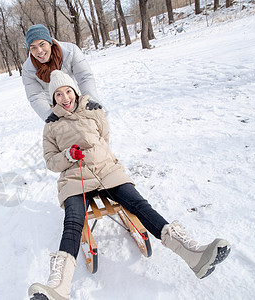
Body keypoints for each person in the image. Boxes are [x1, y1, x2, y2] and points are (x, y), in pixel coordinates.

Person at [27, 70, 231, 300]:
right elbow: (51, 161)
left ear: (74, 91)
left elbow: (104, 139)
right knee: (73, 221)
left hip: (106, 170)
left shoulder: (94, 110)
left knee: (139, 205)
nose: (65, 98)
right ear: (53, 99)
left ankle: (193, 254)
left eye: (67, 91)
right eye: (58, 94)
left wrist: (97, 157)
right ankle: (59, 287)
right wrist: (68, 155)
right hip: (75, 179)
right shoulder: (51, 125)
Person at [22, 24, 102, 123]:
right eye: (33, 47)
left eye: (42, 44)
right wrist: (49, 114)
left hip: (72, 97)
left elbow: (84, 77)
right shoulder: (28, 69)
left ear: (50, 42)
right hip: (53, 106)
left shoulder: (71, 51)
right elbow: (35, 95)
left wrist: (89, 100)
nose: (39, 51)